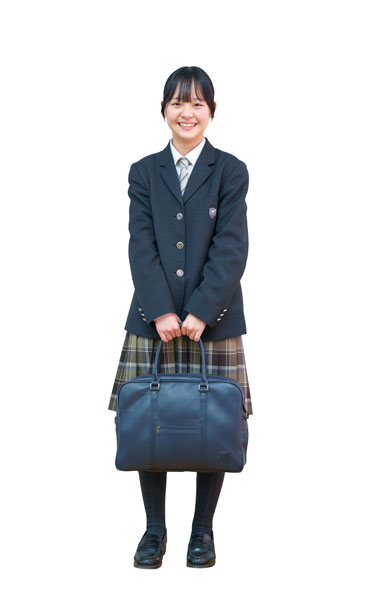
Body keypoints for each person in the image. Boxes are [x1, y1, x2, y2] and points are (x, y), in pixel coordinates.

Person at [108, 66, 253, 569]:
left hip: (216, 321)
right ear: (163, 110)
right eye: (177, 102)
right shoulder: (143, 172)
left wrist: (201, 312)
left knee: (214, 425)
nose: (187, 112)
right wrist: (162, 311)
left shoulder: (231, 171)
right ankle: (154, 530)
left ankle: (202, 532)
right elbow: (140, 246)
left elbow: (232, 248)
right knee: (150, 423)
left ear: (212, 111)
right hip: (154, 321)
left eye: (197, 103)